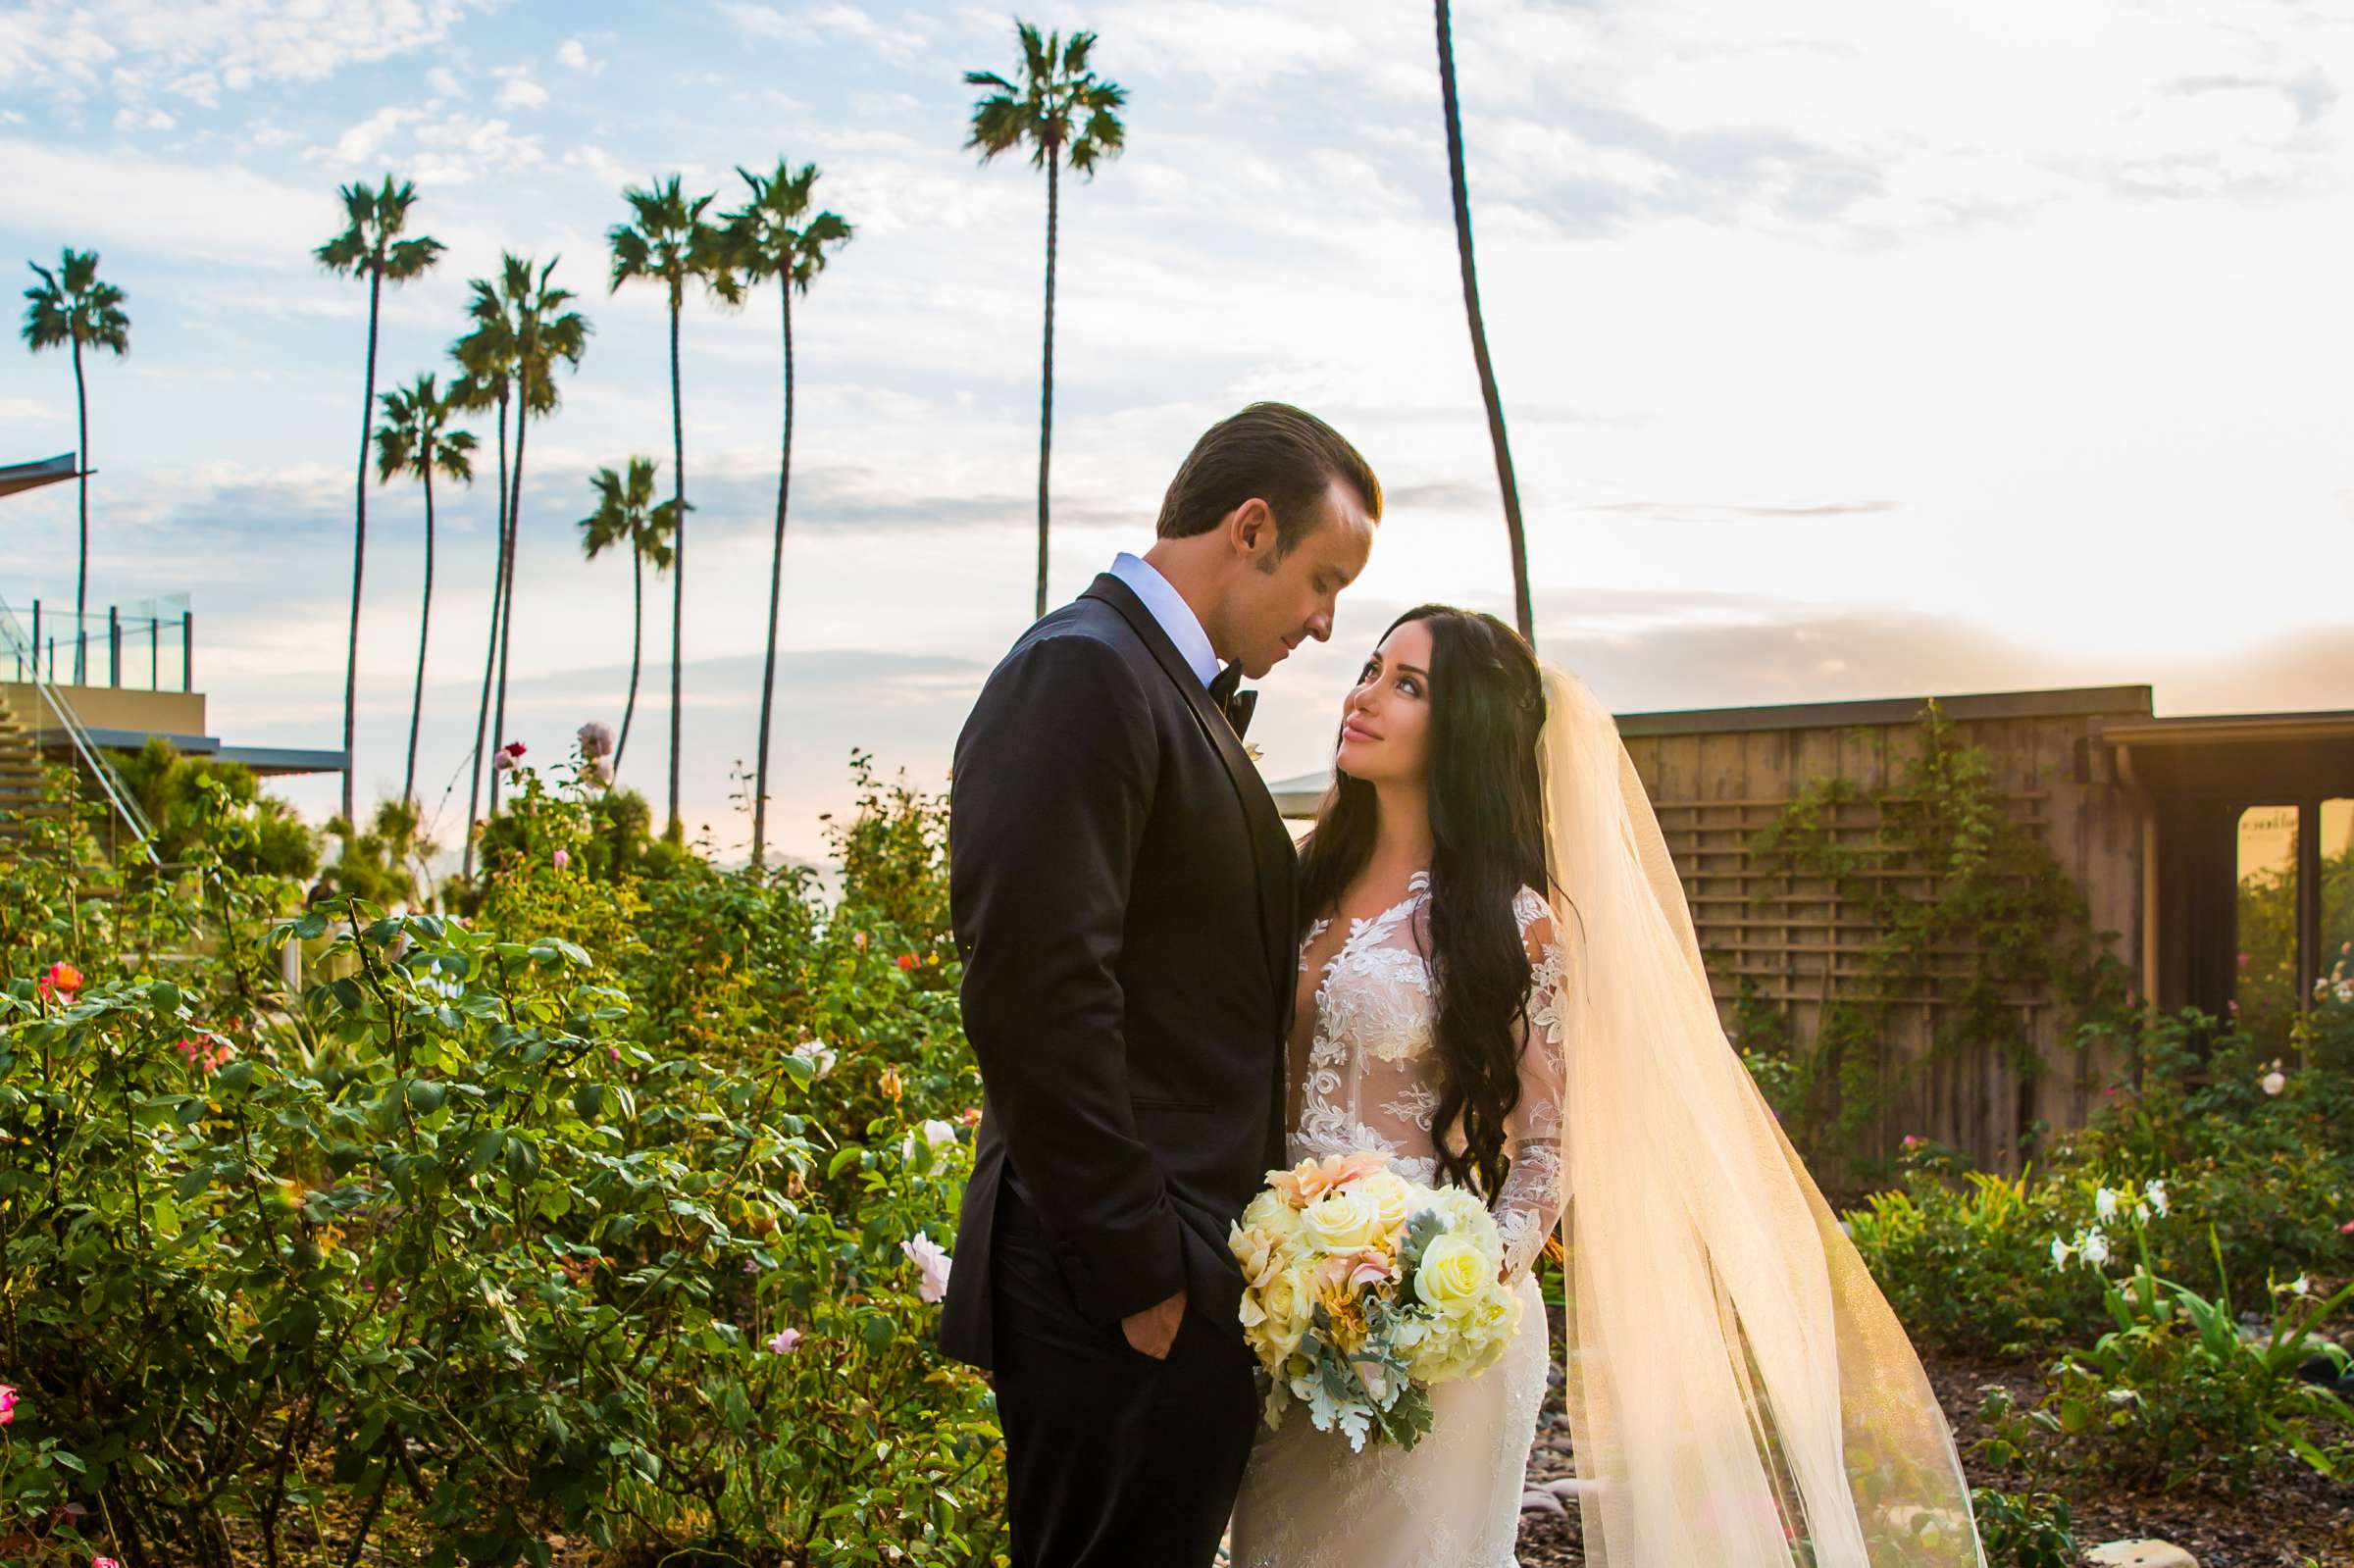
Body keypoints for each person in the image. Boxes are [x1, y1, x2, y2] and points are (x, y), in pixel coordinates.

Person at [1232, 605, 1989, 1568]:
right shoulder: (1301, 876)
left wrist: (1440, 1290)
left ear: (1467, 730)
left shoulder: (1515, 923)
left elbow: (1550, 1147)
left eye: (1407, 685)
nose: (1364, 696)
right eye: (1373, 671)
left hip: (1440, 1329)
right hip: (1290, 1310)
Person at [938, 402, 1381, 1567]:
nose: (1326, 626)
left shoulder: (1164, 688)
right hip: (1114, 1285)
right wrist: (1142, 1270)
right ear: (1249, 529)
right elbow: (1037, 991)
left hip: (1172, 1278)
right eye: (1323, 580)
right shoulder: (1081, 672)